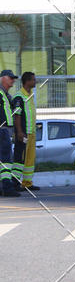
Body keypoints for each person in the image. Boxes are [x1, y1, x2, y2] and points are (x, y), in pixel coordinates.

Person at [12, 72, 39, 192]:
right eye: (33, 80)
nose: (35, 82)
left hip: (31, 133)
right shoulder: (19, 96)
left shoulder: (31, 95)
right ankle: (15, 183)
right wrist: (19, 132)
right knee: (20, 159)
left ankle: (27, 183)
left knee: (29, 159)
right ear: (27, 81)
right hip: (23, 133)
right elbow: (17, 116)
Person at [0, 70, 20, 198]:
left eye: (13, 78)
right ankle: (7, 187)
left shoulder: (6, 95)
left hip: (6, 129)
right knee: (6, 160)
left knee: (4, 159)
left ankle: (4, 187)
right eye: (10, 78)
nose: (13, 80)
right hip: (2, 129)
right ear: (2, 78)